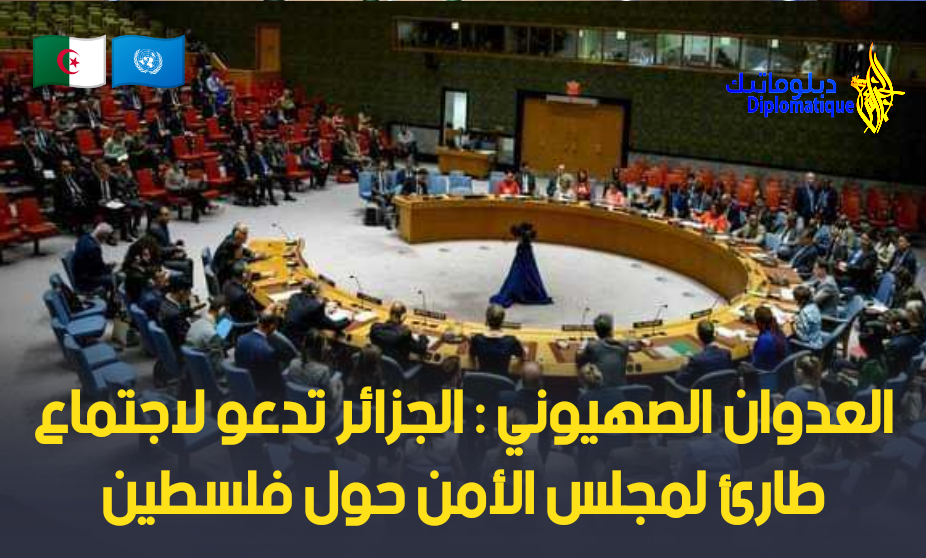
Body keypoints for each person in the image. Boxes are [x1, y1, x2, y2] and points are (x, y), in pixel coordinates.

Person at [490, 222, 553, 308]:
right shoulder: (525, 240)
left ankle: (520, 291)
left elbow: (519, 234)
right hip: (525, 255)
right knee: (529, 275)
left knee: (518, 274)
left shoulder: (524, 240)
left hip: (523, 256)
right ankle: (526, 291)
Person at [284, 329, 344, 419]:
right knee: (340, 384)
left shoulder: (293, 363)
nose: (328, 347)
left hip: (297, 411)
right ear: (320, 349)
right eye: (325, 345)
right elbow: (330, 398)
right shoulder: (323, 370)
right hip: (319, 416)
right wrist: (337, 386)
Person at [281, 280, 348, 348]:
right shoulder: (316, 306)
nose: (322, 294)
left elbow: (305, 312)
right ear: (315, 292)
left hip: (283, 335)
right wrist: (348, 318)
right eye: (321, 292)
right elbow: (335, 325)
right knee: (325, 332)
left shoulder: (294, 296)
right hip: (295, 342)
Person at [235, 310, 284, 401]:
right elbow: (275, 379)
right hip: (261, 391)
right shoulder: (267, 350)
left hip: (242, 385)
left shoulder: (240, 339)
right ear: (272, 326)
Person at [468, 305, 525, 378]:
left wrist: (476, 371)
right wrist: (512, 369)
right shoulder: (511, 341)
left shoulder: (477, 339)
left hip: (483, 380)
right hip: (503, 381)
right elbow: (523, 357)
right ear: (502, 321)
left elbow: (471, 357)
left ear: (487, 320)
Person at [369, 302, 429, 370]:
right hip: (399, 370)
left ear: (390, 313)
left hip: (381, 368)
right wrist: (422, 335)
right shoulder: (404, 333)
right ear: (403, 316)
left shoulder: (375, 328)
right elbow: (421, 349)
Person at [576, 313, 629, 387]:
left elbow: (579, 359)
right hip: (620, 391)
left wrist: (582, 345)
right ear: (611, 330)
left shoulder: (591, 346)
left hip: (600, 391)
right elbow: (636, 346)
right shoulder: (623, 346)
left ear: (596, 332)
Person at [675, 320, 733, 387]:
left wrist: (684, 364)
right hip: (722, 391)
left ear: (699, 337)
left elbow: (679, 380)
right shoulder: (726, 353)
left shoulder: (696, 360)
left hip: (701, 393)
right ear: (714, 335)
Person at [146, 205, 194, 282]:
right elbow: (158, 250)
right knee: (186, 265)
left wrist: (175, 245)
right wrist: (175, 249)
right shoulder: (155, 230)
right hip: (159, 262)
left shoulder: (163, 225)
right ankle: (181, 287)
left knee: (189, 261)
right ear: (158, 217)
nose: (169, 217)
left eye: (168, 214)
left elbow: (166, 244)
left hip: (165, 257)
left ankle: (186, 287)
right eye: (165, 215)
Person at [186, 295, 228, 373]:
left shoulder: (196, 322)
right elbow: (219, 368)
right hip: (207, 372)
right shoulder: (212, 335)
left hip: (193, 367)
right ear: (222, 310)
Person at [71, 223, 116, 294]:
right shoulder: (94, 248)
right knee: (112, 278)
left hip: (79, 273)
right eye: (107, 236)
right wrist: (109, 267)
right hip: (84, 281)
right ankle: (111, 298)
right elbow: (99, 270)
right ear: (103, 236)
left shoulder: (84, 237)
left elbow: (93, 264)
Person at [213, 223, 260, 288]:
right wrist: (254, 259)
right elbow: (237, 263)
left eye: (246, 234)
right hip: (225, 279)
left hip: (224, 272)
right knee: (254, 275)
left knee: (251, 273)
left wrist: (252, 254)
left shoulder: (231, 238)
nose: (246, 237)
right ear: (237, 234)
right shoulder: (232, 244)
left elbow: (243, 251)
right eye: (244, 234)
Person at [158, 276, 195, 354]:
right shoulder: (174, 314)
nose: (190, 295)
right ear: (181, 291)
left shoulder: (165, 302)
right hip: (184, 351)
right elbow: (190, 338)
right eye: (189, 292)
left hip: (174, 344)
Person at [751, 306, 789, 372]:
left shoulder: (764, 340)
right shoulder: (778, 330)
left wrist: (752, 349)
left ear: (759, 323)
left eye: (756, 321)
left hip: (768, 372)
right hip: (784, 368)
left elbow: (755, 364)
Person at [840, 232, 878, 297]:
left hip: (858, 280)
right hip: (848, 273)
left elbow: (863, 269)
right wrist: (843, 265)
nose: (862, 241)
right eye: (862, 238)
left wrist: (847, 266)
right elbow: (849, 260)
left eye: (866, 240)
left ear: (871, 242)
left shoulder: (872, 254)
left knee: (836, 279)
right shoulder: (858, 249)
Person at [791, 285, 825, 350]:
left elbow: (804, 338)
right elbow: (807, 322)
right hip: (817, 338)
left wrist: (793, 325)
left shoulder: (804, 312)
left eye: (795, 299)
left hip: (810, 345)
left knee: (788, 338)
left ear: (800, 301)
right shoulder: (814, 306)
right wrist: (797, 318)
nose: (794, 300)